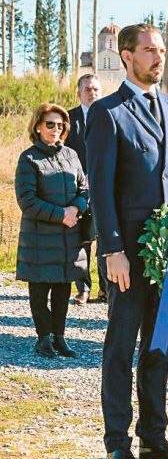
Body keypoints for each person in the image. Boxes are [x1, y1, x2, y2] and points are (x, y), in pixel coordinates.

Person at [86, 23, 168, 459]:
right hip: (126, 254)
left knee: (159, 346)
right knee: (121, 348)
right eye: (150, 50)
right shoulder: (108, 112)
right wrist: (112, 248)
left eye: (162, 50)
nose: (159, 57)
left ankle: (154, 439)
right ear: (125, 55)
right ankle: (118, 442)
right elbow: (100, 187)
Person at [15, 104, 89, 359]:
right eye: (50, 124)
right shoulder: (29, 158)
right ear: (38, 126)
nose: (56, 129)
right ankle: (43, 338)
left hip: (69, 237)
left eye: (61, 125)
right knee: (39, 291)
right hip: (39, 238)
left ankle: (60, 337)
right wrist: (62, 215)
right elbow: (27, 200)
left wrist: (76, 209)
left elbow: (84, 189)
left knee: (62, 290)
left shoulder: (72, 155)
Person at [66, 74, 104, 305]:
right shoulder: (69, 119)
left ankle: (106, 290)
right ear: (79, 93)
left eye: (96, 89)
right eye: (88, 89)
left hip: (106, 186)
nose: (93, 93)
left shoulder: (110, 116)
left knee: (106, 238)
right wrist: (82, 176)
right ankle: (83, 288)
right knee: (82, 240)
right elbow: (64, 152)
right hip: (78, 187)